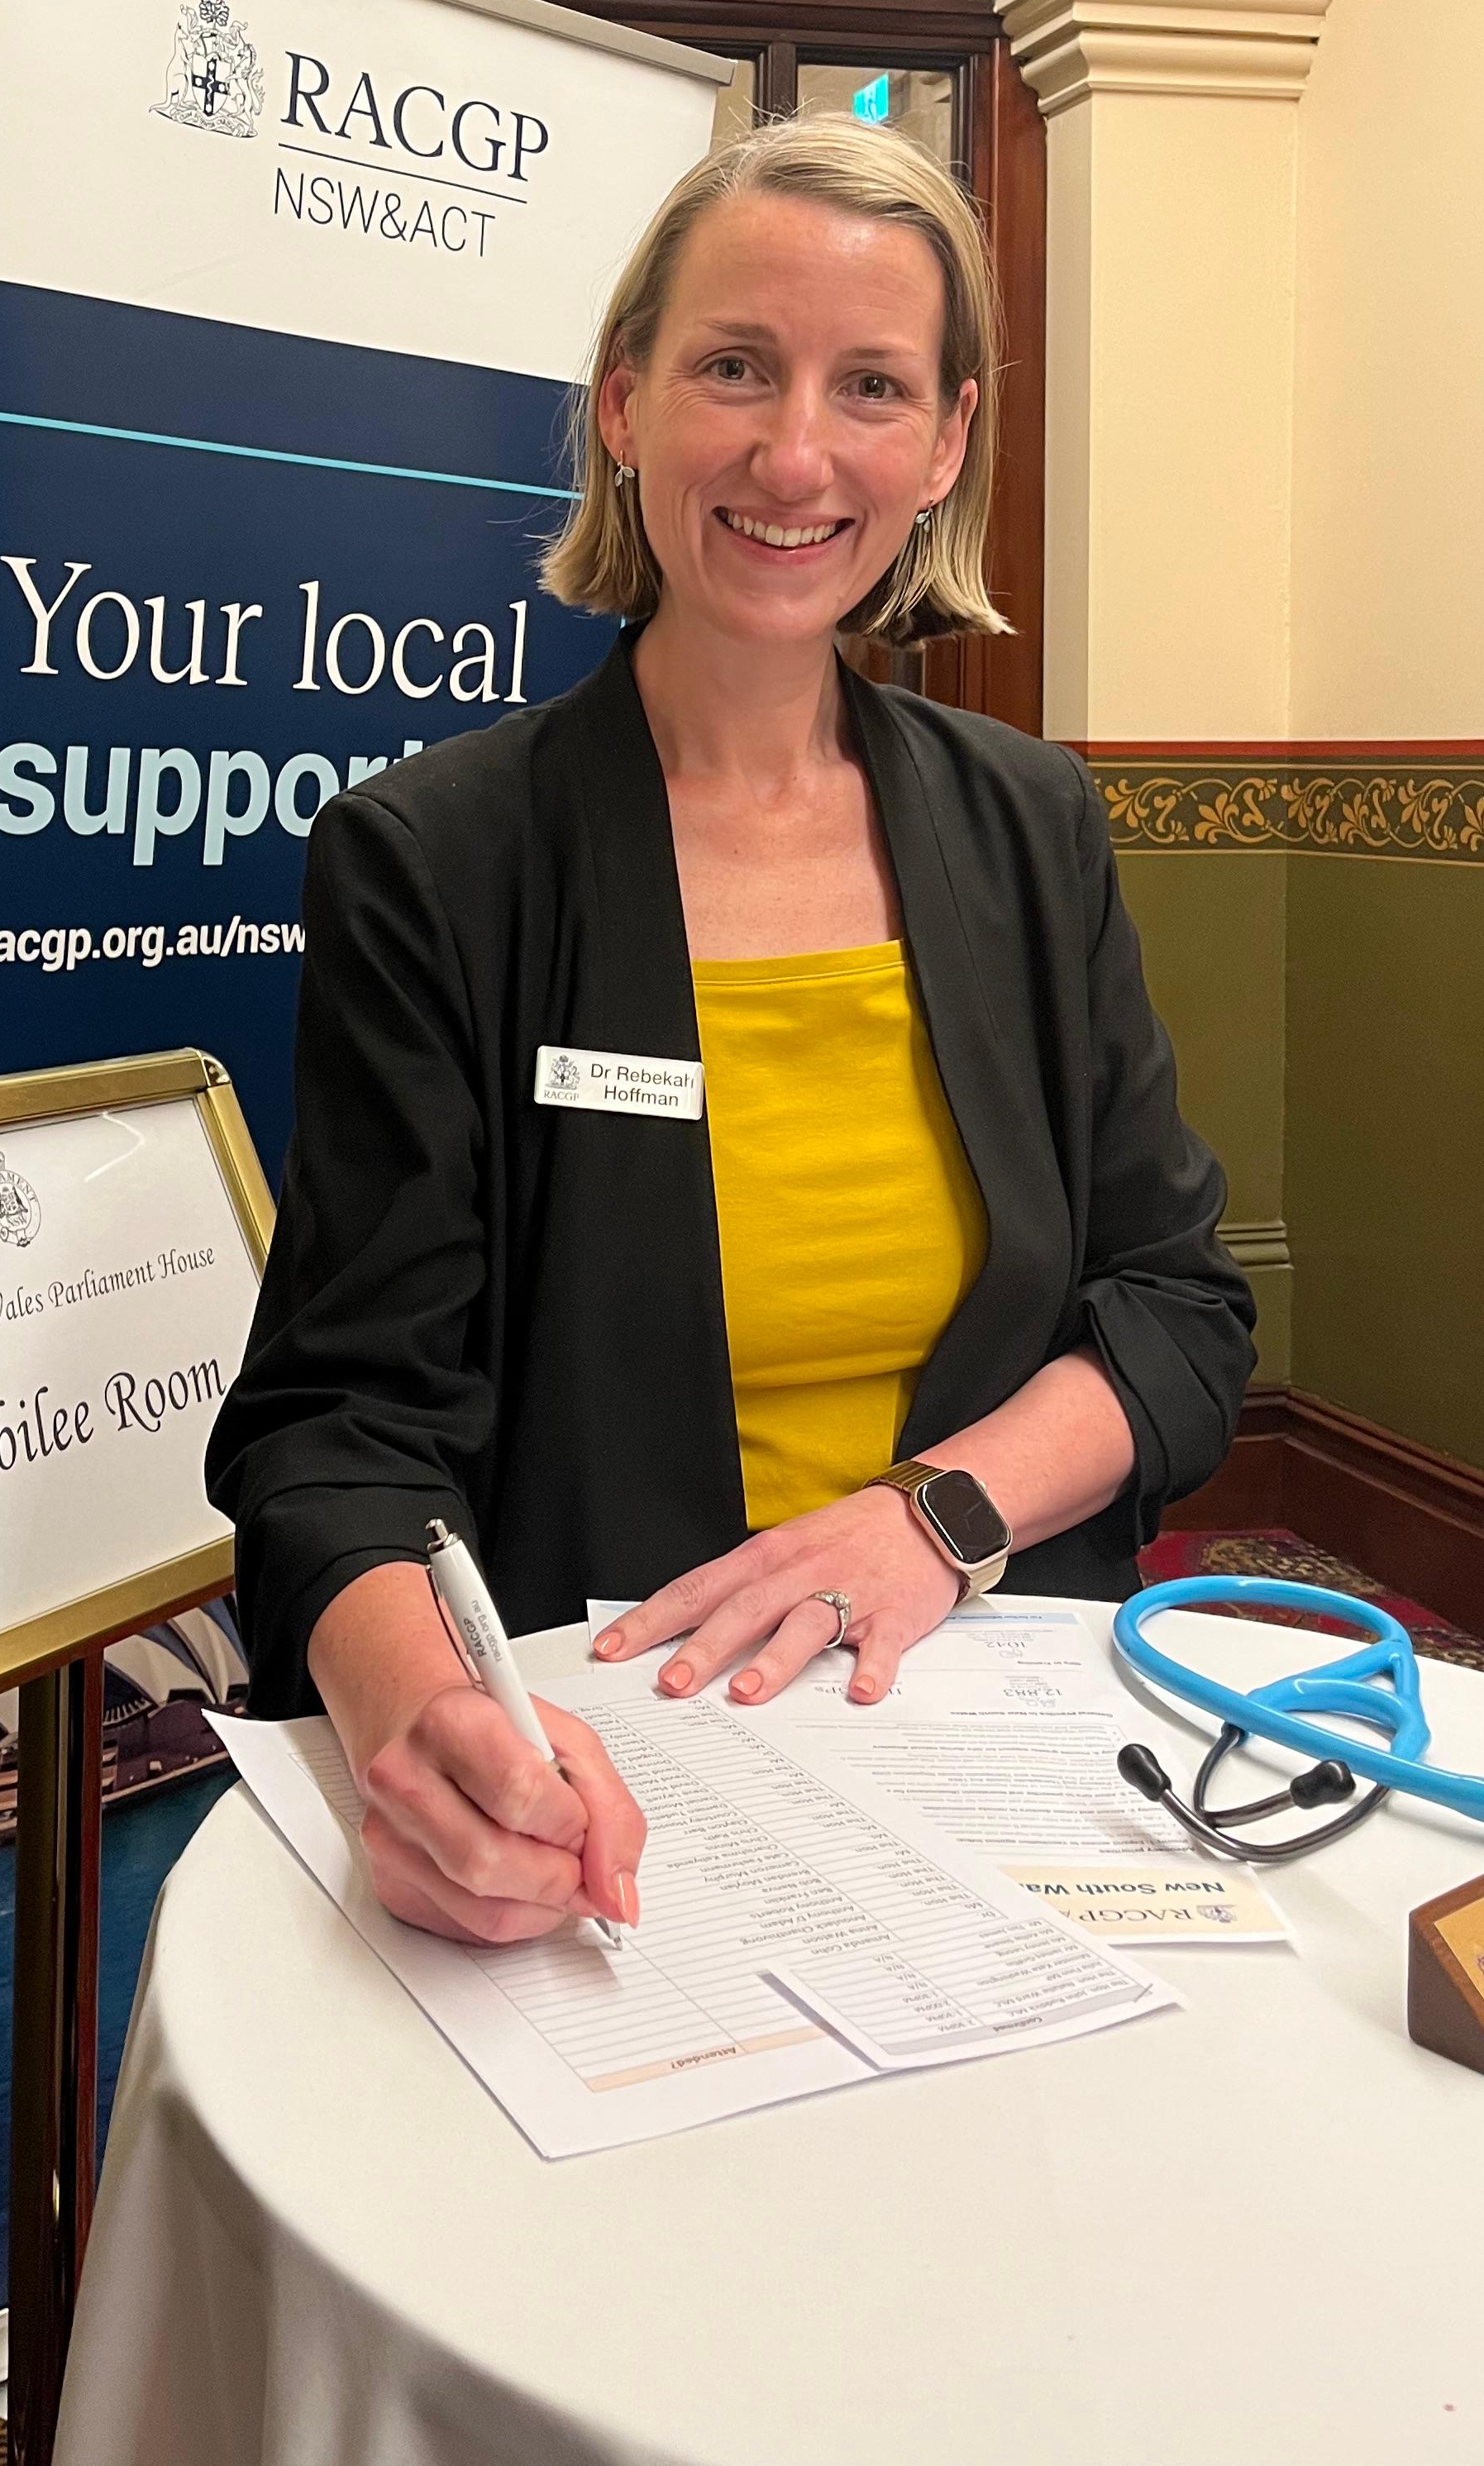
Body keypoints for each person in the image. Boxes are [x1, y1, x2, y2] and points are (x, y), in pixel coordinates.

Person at [205, 115, 1253, 1948]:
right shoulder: (440, 861)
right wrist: (421, 1722)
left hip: (985, 1710)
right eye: (735, 369)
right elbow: (336, 1429)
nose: (795, 454)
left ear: (946, 444)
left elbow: (1176, 1312)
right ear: (625, 405)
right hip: (621, 1741)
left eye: (872, 387)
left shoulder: (1032, 828)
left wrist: (928, 1522)